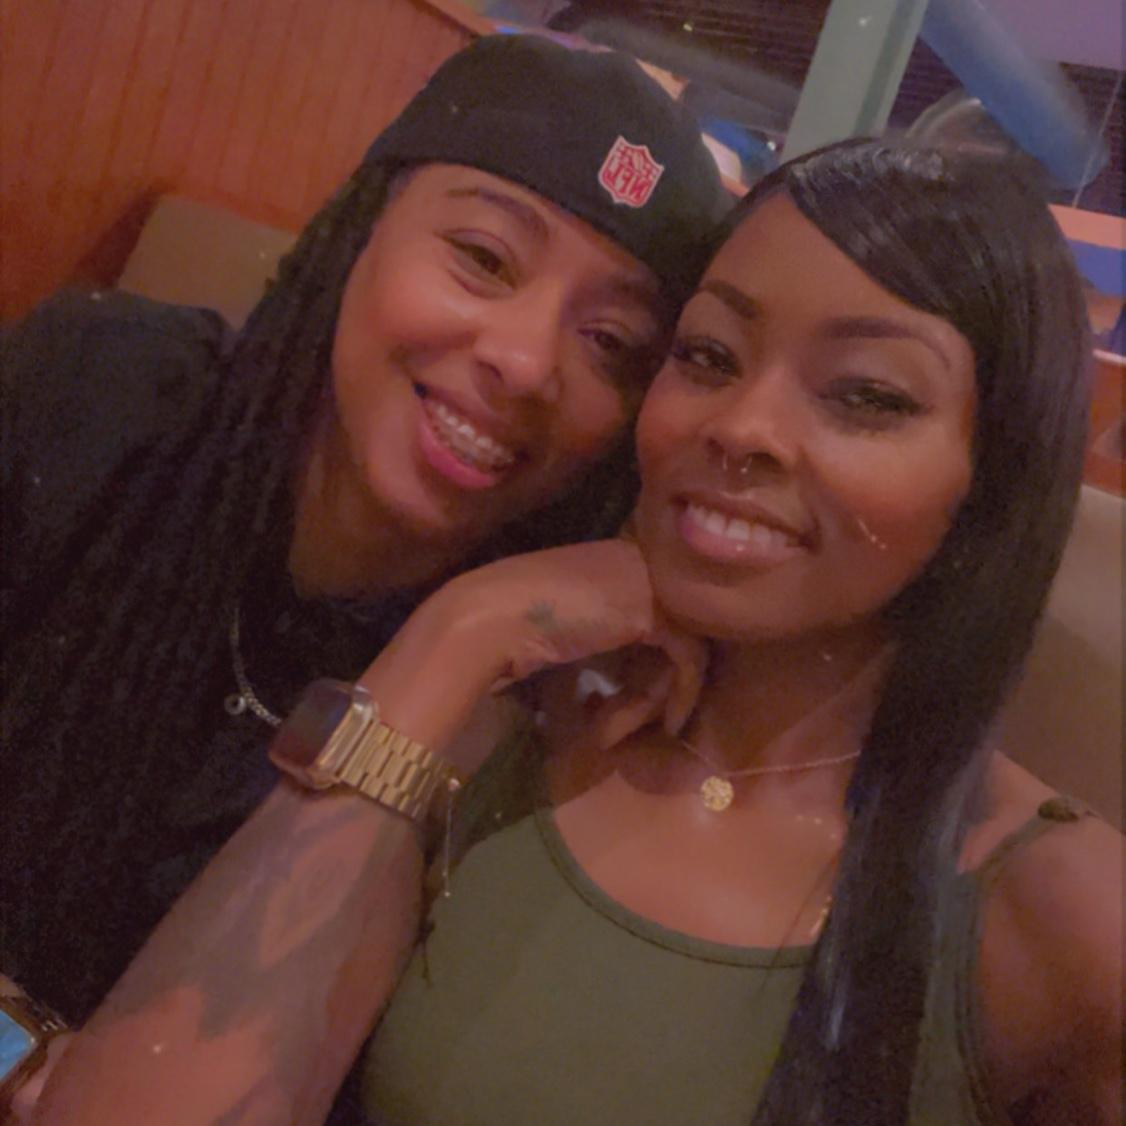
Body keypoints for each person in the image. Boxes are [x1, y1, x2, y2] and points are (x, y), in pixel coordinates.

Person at [35, 141, 1121, 1125]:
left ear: (995, 483)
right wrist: (458, 633)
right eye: (709, 355)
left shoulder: (1062, 916)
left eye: (867, 396)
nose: (739, 425)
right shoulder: (507, 734)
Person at [0, 29, 728, 1102]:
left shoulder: (547, 704)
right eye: (484, 257)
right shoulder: (100, 394)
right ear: (360, 230)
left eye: (610, 343)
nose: (525, 361)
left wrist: (465, 632)